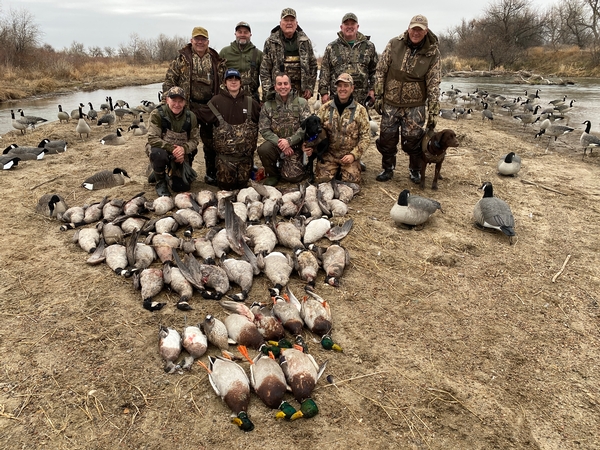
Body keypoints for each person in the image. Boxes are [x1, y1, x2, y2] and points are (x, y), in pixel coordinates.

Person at [373, 14, 441, 183]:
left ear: (425, 31)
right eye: (414, 28)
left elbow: (434, 83)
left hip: (415, 105)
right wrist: (379, 95)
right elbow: (381, 70)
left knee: (414, 140)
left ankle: (415, 170)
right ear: (408, 28)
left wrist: (433, 110)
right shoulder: (394, 43)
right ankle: (387, 168)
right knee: (387, 138)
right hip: (390, 101)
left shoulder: (432, 52)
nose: (416, 33)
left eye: (420, 30)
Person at [164, 26, 226, 186]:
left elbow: (225, 84)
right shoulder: (181, 60)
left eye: (203, 39)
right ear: (191, 40)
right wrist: (169, 105)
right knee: (184, 140)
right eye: (197, 39)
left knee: (211, 141)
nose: (200, 42)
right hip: (187, 108)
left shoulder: (216, 60)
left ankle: (211, 173)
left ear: (207, 41)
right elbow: (169, 83)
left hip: (210, 108)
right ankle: (183, 171)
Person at [196, 69, 261, 190]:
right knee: (226, 188)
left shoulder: (251, 103)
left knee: (245, 188)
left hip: (246, 161)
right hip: (224, 162)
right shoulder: (216, 102)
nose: (233, 82)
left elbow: (264, 121)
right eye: (230, 79)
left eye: (236, 79)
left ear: (241, 82)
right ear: (225, 83)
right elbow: (198, 118)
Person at [304, 73, 370, 184]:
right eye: (340, 86)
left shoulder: (360, 110)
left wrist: (353, 155)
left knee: (351, 183)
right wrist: (309, 146)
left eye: (346, 86)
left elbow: (366, 138)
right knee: (321, 181)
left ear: (352, 88)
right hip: (329, 155)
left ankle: (344, 170)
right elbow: (313, 130)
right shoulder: (325, 108)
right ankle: (334, 171)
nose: (342, 89)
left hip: (348, 156)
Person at [257, 72, 311, 186]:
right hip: (276, 144)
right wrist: (280, 143)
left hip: (295, 146)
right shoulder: (267, 105)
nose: (283, 87)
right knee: (263, 150)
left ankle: (287, 166)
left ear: (290, 85)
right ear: (275, 87)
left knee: (293, 177)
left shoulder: (301, 103)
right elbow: (264, 129)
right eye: (279, 84)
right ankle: (272, 174)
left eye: (285, 83)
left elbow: (306, 126)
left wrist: (290, 141)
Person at [146, 87, 200, 197]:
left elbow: (194, 140)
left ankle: (166, 175)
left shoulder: (191, 117)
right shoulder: (157, 114)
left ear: (185, 102)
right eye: (174, 100)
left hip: (181, 154)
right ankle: (160, 181)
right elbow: (152, 138)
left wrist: (183, 149)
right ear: (167, 100)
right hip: (163, 150)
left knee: (181, 187)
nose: (177, 104)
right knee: (158, 154)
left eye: (180, 101)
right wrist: (174, 150)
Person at [318, 13, 378, 107]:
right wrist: (324, 92)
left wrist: (373, 89)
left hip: (361, 99)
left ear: (357, 26)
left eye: (352, 24)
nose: (349, 27)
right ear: (341, 27)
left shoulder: (368, 46)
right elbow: (325, 71)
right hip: (338, 98)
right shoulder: (332, 47)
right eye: (346, 24)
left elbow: (375, 71)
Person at [260, 8, 318, 101]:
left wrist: (309, 87)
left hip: (300, 92)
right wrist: (269, 92)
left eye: (292, 20)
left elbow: (313, 66)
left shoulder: (305, 41)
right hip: (278, 91)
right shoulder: (271, 42)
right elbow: (264, 70)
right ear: (280, 23)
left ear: (296, 23)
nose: (289, 23)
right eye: (286, 20)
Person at [219, 21, 263, 102]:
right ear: (235, 34)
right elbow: (218, 76)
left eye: (245, 32)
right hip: (228, 99)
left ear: (250, 34)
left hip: (251, 99)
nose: (242, 35)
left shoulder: (258, 54)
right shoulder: (224, 52)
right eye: (240, 32)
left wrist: (264, 98)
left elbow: (265, 76)